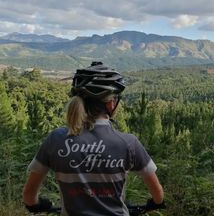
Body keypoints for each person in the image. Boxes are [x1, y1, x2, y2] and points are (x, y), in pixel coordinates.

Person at [22, 62, 164, 215]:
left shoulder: (56, 139)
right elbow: (158, 196)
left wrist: (39, 204)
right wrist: (154, 203)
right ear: (110, 103)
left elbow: (29, 197)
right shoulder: (128, 143)